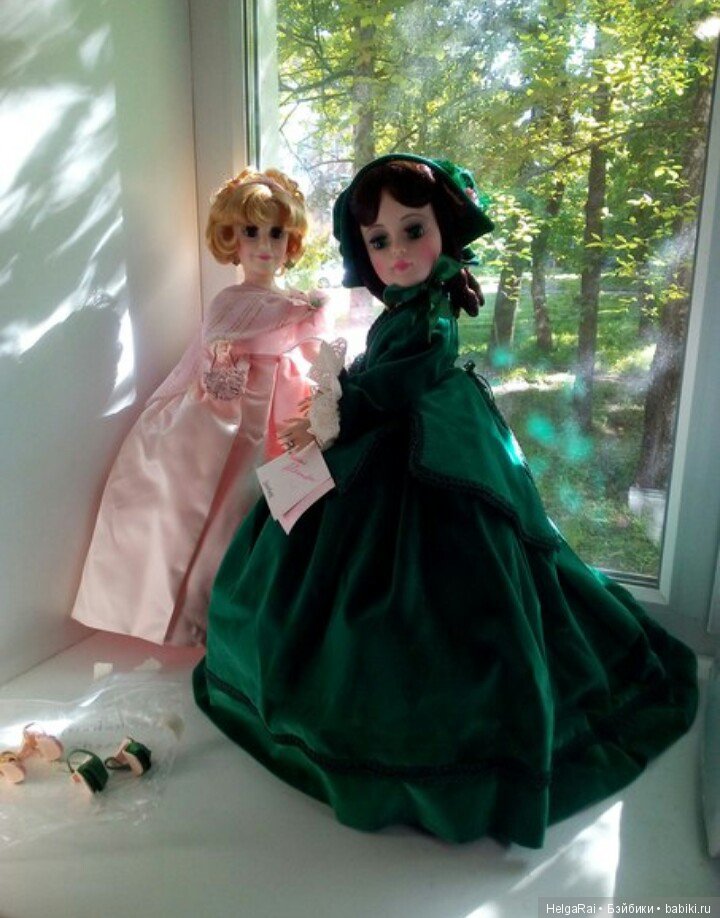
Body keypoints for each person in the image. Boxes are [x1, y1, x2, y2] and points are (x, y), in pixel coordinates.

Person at [193, 154, 698, 847]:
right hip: (386, 434)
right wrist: (341, 398)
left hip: (430, 441)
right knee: (305, 543)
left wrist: (338, 407)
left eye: (413, 230)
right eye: (379, 240)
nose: (397, 252)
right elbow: (378, 369)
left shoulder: (431, 315)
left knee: (440, 574)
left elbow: (400, 379)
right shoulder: (406, 307)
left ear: (444, 230)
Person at [71, 168, 326, 646]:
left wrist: (325, 384)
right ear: (232, 238)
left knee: (288, 504)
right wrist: (285, 322)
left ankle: (269, 616)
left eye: (276, 233)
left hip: (286, 409)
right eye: (251, 232)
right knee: (225, 509)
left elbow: (314, 353)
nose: (264, 246)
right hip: (242, 414)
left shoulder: (297, 303)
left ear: (290, 240)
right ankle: (201, 619)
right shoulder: (232, 301)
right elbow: (219, 355)